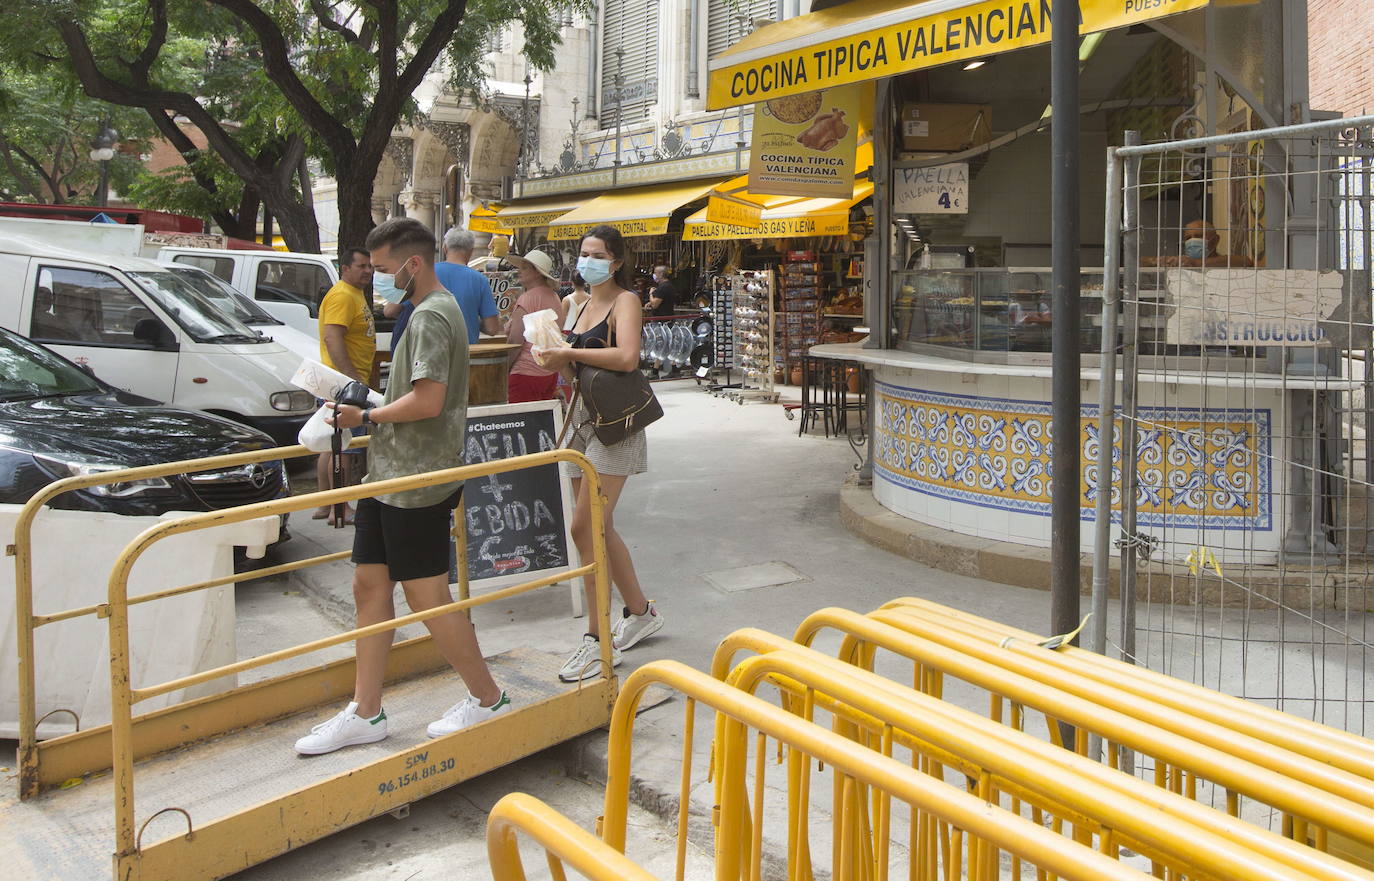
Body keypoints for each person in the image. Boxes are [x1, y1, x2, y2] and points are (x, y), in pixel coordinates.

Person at [295, 217, 509, 755]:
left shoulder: (435, 315)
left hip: (417, 478)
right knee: (370, 586)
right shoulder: (422, 311)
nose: (379, 280)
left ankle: (488, 700)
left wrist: (365, 418)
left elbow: (429, 402)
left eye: (386, 270)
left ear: (412, 265)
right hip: (389, 475)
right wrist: (366, 409)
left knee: (426, 596)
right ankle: (366, 711)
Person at [537, 225, 664, 682]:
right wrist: (552, 355)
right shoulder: (575, 303)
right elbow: (571, 364)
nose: (587, 261)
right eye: (583, 252)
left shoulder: (625, 301)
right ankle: (639, 610)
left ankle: (596, 639)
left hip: (616, 424)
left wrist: (570, 350)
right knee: (598, 526)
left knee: (584, 525)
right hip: (581, 418)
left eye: (597, 254)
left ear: (615, 261)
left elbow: (628, 357)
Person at [314, 248, 376, 525]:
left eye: (370, 266)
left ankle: (324, 503)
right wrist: (351, 379)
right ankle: (339, 507)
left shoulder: (353, 293)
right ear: (345, 269)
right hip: (343, 384)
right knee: (345, 448)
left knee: (330, 444)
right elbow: (332, 338)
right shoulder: (342, 295)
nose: (367, 271)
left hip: (340, 381)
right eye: (361, 266)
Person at [505, 249, 566, 403]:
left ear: (537, 272)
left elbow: (515, 342)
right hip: (548, 373)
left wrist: (503, 370)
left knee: (517, 422)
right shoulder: (554, 297)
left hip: (524, 374)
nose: (520, 271)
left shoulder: (527, 299)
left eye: (525, 267)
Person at [434, 227, 502, 342]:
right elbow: (492, 328)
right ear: (471, 251)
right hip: (465, 353)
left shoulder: (427, 272)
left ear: (445, 248)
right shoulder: (480, 280)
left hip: (430, 350)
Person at [1144, 219, 1254, 268]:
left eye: (1198, 236)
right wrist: (1154, 261)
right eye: (1188, 238)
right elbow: (1137, 262)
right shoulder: (1181, 263)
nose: (1192, 241)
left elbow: (1246, 261)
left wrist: (1195, 263)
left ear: (1215, 241)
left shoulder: (1223, 262)